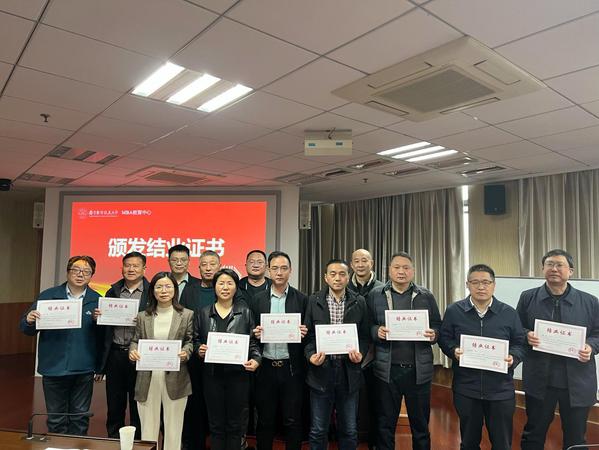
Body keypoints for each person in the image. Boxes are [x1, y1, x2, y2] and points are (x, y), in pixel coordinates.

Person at [517, 249, 599, 450]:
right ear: (542, 269)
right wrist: (527, 335)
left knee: (576, 437)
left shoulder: (590, 302)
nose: (554, 269)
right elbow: (516, 329)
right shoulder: (528, 298)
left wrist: (591, 346)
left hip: (577, 380)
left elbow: (598, 333)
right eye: (550, 264)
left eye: (559, 265)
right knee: (533, 433)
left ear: (570, 271)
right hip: (540, 379)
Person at [439, 264, 526, 450]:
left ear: (494, 285)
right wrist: (453, 350)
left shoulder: (509, 313)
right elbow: (444, 338)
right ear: (467, 284)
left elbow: (520, 343)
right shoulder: (454, 311)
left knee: (502, 444)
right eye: (475, 282)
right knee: (469, 442)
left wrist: (513, 357)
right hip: (466, 387)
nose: (481, 287)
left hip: (500, 389)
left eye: (486, 282)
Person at [367, 251, 441, 450]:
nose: (401, 271)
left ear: (413, 271)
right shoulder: (376, 295)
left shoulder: (426, 296)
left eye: (406, 267)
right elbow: (367, 325)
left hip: (418, 371)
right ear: (389, 270)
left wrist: (434, 334)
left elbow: (437, 325)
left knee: (420, 424)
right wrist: (376, 331)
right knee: (385, 424)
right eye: (397, 267)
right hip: (387, 370)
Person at [20, 255, 100, 435]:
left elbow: (103, 337)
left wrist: (99, 322)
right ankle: (58, 445)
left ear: (91, 275)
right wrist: (29, 320)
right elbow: (26, 329)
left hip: (83, 368)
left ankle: (77, 446)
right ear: (67, 272)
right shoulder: (48, 296)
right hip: (53, 366)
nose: (80, 274)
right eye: (76, 270)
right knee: (56, 418)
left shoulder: (97, 300)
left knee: (80, 417)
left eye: (86, 271)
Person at [304, 258, 370, 450]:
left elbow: (364, 336)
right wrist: (311, 355)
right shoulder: (314, 300)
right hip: (321, 371)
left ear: (348, 277)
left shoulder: (359, 301)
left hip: (349, 371)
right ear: (326, 277)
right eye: (332, 274)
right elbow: (307, 336)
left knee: (349, 429)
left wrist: (360, 353)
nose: (337, 278)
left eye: (342, 274)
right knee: (318, 429)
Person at [194, 268, 261, 450]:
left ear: (236, 287)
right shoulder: (203, 313)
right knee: (216, 425)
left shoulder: (245, 312)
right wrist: (199, 349)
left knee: (235, 425)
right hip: (212, 376)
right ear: (214, 287)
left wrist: (256, 359)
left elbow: (253, 343)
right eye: (221, 283)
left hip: (238, 376)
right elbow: (195, 340)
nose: (225, 287)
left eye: (229, 283)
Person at [129, 272, 194, 450]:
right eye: (159, 287)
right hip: (147, 377)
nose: (163, 291)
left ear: (175, 290)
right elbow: (135, 340)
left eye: (168, 286)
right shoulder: (143, 316)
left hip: (176, 377)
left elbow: (190, 341)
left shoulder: (186, 314)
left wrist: (186, 352)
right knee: (148, 428)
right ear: (153, 291)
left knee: (174, 428)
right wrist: (133, 351)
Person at [251, 251, 308, 450]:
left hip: (291, 368)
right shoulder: (258, 299)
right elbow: (250, 332)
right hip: (265, 367)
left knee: (292, 419)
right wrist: (254, 332)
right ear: (269, 270)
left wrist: (304, 332)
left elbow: (309, 335)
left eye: (284, 268)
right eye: (275, 268)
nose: (279, 272)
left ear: (290, 271)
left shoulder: (302, 299)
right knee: (265, 419)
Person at [96, 251, 149, 439]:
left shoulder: (152, 292)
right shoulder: (112, 291)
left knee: (139, 404)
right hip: (116, 354)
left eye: (136, 266)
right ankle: (113, 440)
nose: (131, 269)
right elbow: (105, 330)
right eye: (127, 265)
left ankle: (138, 442)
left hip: (141, 355)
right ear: (122, 268)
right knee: (115, 403)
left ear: (144, 269)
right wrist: (98, 317)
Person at [348, 248, 384, 449]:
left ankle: (374, 442)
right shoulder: (344, 287)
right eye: (356, 261)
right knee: (349, 401)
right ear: (351, 265)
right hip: (348, 352)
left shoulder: (382, 289)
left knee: (375, 402)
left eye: (364, 260)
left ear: (372, 263)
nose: (360, 264)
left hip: (377, 355)